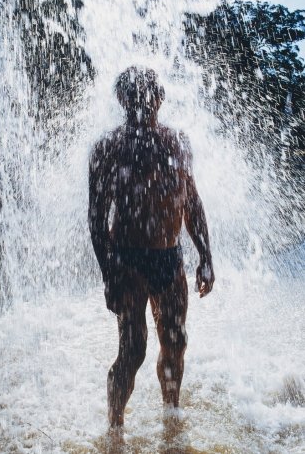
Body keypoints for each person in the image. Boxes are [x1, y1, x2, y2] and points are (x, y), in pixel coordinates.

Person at [88, 66, 214, 427]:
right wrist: (108, 273)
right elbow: (96, 220)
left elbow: (191, 201)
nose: (144, 101)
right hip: (127, 259)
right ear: (122, 100)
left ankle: (171, 418)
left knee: (176, 341)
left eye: (149, 93)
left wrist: (205, 255)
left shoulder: (178, 142)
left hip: (169, 257)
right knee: (133, 350)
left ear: (160, 98)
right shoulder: (108, 148)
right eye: (135, 95)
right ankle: (114, 429)